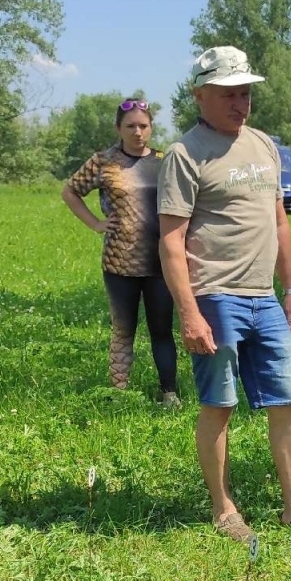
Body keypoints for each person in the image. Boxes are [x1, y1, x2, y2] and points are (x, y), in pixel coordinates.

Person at [158, 46, 291, 542]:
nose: (241, 103)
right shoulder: (185, 154)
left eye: (246, 93)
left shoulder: (264, 146)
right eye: (229, 94)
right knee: (220, 404)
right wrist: (189, 313)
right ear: (200, 95)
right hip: (215, 296)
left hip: (264, 297)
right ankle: (223, 510)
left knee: (288, 402)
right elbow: (171, 240)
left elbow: (279, 220)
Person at [61, 99, 179, 403]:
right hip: (119, 261)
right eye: (130, 126)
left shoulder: (165, 161)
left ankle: (169, 392)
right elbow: (70, 191)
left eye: (143, 125)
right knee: (123, 329)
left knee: (162, 329)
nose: (137, 132)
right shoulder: (104, 161)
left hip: (161, 260)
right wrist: (96, 224)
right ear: (118, 128)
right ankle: (120, 391)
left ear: (151, 127)